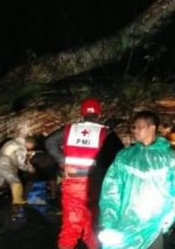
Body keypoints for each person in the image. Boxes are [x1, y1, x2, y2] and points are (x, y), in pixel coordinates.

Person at [98, 110, 175, 249]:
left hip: (153, 227)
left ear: (152, 128)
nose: (135, 131)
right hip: (125, 224)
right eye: (134, 127)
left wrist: (169, 217)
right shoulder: (125, 156)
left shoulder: (169, 158)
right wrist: (109, 221)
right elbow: (111, 189)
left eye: (140, 127)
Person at [46, 97, 120, 249]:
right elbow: (119, 156)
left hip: (73, 182)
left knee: (74, 222)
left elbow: (49, 142)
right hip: (95, 184)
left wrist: (63, 160)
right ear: (99, 114)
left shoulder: (69, 129)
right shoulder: (106, 133)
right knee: (91, 220)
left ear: (82, 113)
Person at [0, 136, 36, 204]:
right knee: (15, 181)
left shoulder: (12, 142)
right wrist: (29, 169)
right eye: (32, 146)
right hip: (5, 164)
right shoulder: (21, 148)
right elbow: (20, 164)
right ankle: (17, 200)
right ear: (30, 143)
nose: (31, 148)